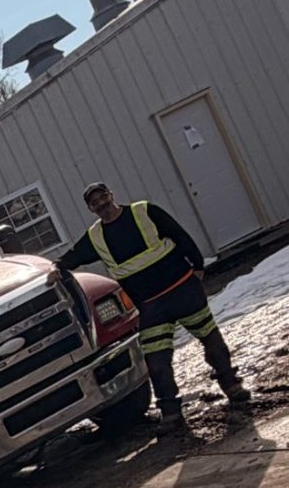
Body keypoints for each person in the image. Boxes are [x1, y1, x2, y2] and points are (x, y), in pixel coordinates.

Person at [58, 183, 249, 430]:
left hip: (182, 290)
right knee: (156, 361)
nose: (101, 204)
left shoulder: (144, 211)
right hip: (151, 306)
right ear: (90, 209)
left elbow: (179, 234)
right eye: (94, 202)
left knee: (211, 340)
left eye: (103, 197)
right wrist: (55, 268)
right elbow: (73, 257)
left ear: (112, 195)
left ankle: (232, 386)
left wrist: (198, 266)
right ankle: (171, 413)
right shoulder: (96, 237)